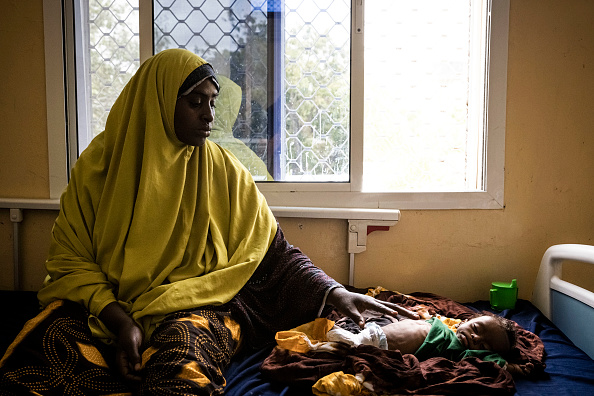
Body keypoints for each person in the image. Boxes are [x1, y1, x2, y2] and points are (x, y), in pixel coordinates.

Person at [0, 49, 417, 395]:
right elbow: (71, 262)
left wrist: (332, 291)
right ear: (158, 102)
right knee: (37, 352)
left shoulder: (223, 172)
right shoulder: (99, 169)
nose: (209, 115)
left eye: (212, 102)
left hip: (193, 306)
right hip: (105, 308)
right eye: (195, 101)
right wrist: (121, 321)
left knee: (183, 368)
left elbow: (271, 254)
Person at [326, 312, 517, 367]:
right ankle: (355, 338)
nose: (475, 338)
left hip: (381, 345)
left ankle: (352, 344)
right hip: (379, 331)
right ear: (466, 321)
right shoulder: (449, 328)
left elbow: (494, 362)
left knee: (359, 342)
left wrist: (514, 367)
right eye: (475, 328)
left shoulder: (462, 352)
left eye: (483, 345)